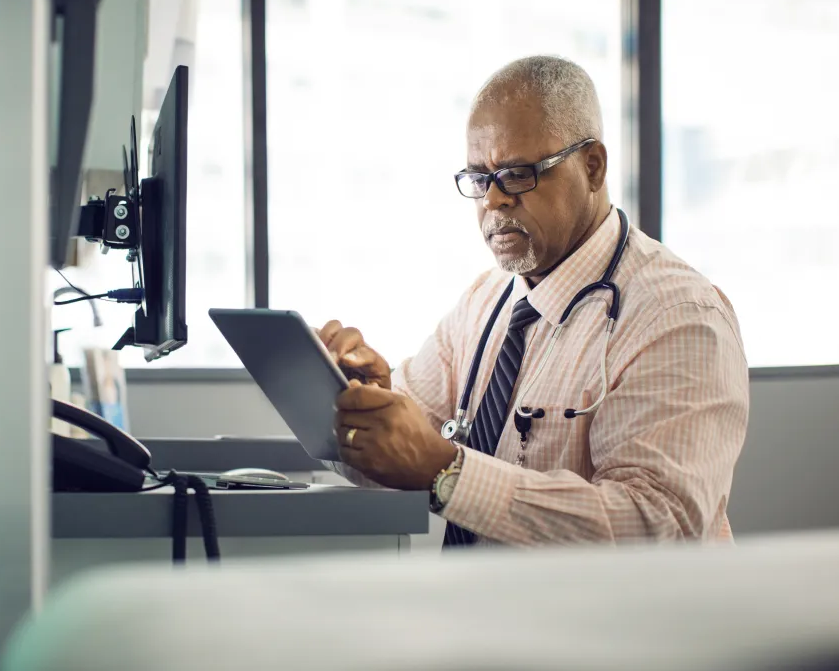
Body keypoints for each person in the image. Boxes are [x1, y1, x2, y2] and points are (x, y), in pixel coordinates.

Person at [320, 55, 748, 546]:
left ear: (593, 166)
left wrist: (448, 472)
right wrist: (361, 407)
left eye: (518, 174)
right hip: (491, 616)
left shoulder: (677, 316)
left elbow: (659, 526)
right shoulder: (485, 302)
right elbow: (396, 458)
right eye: (479, 178)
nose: (492, 201)